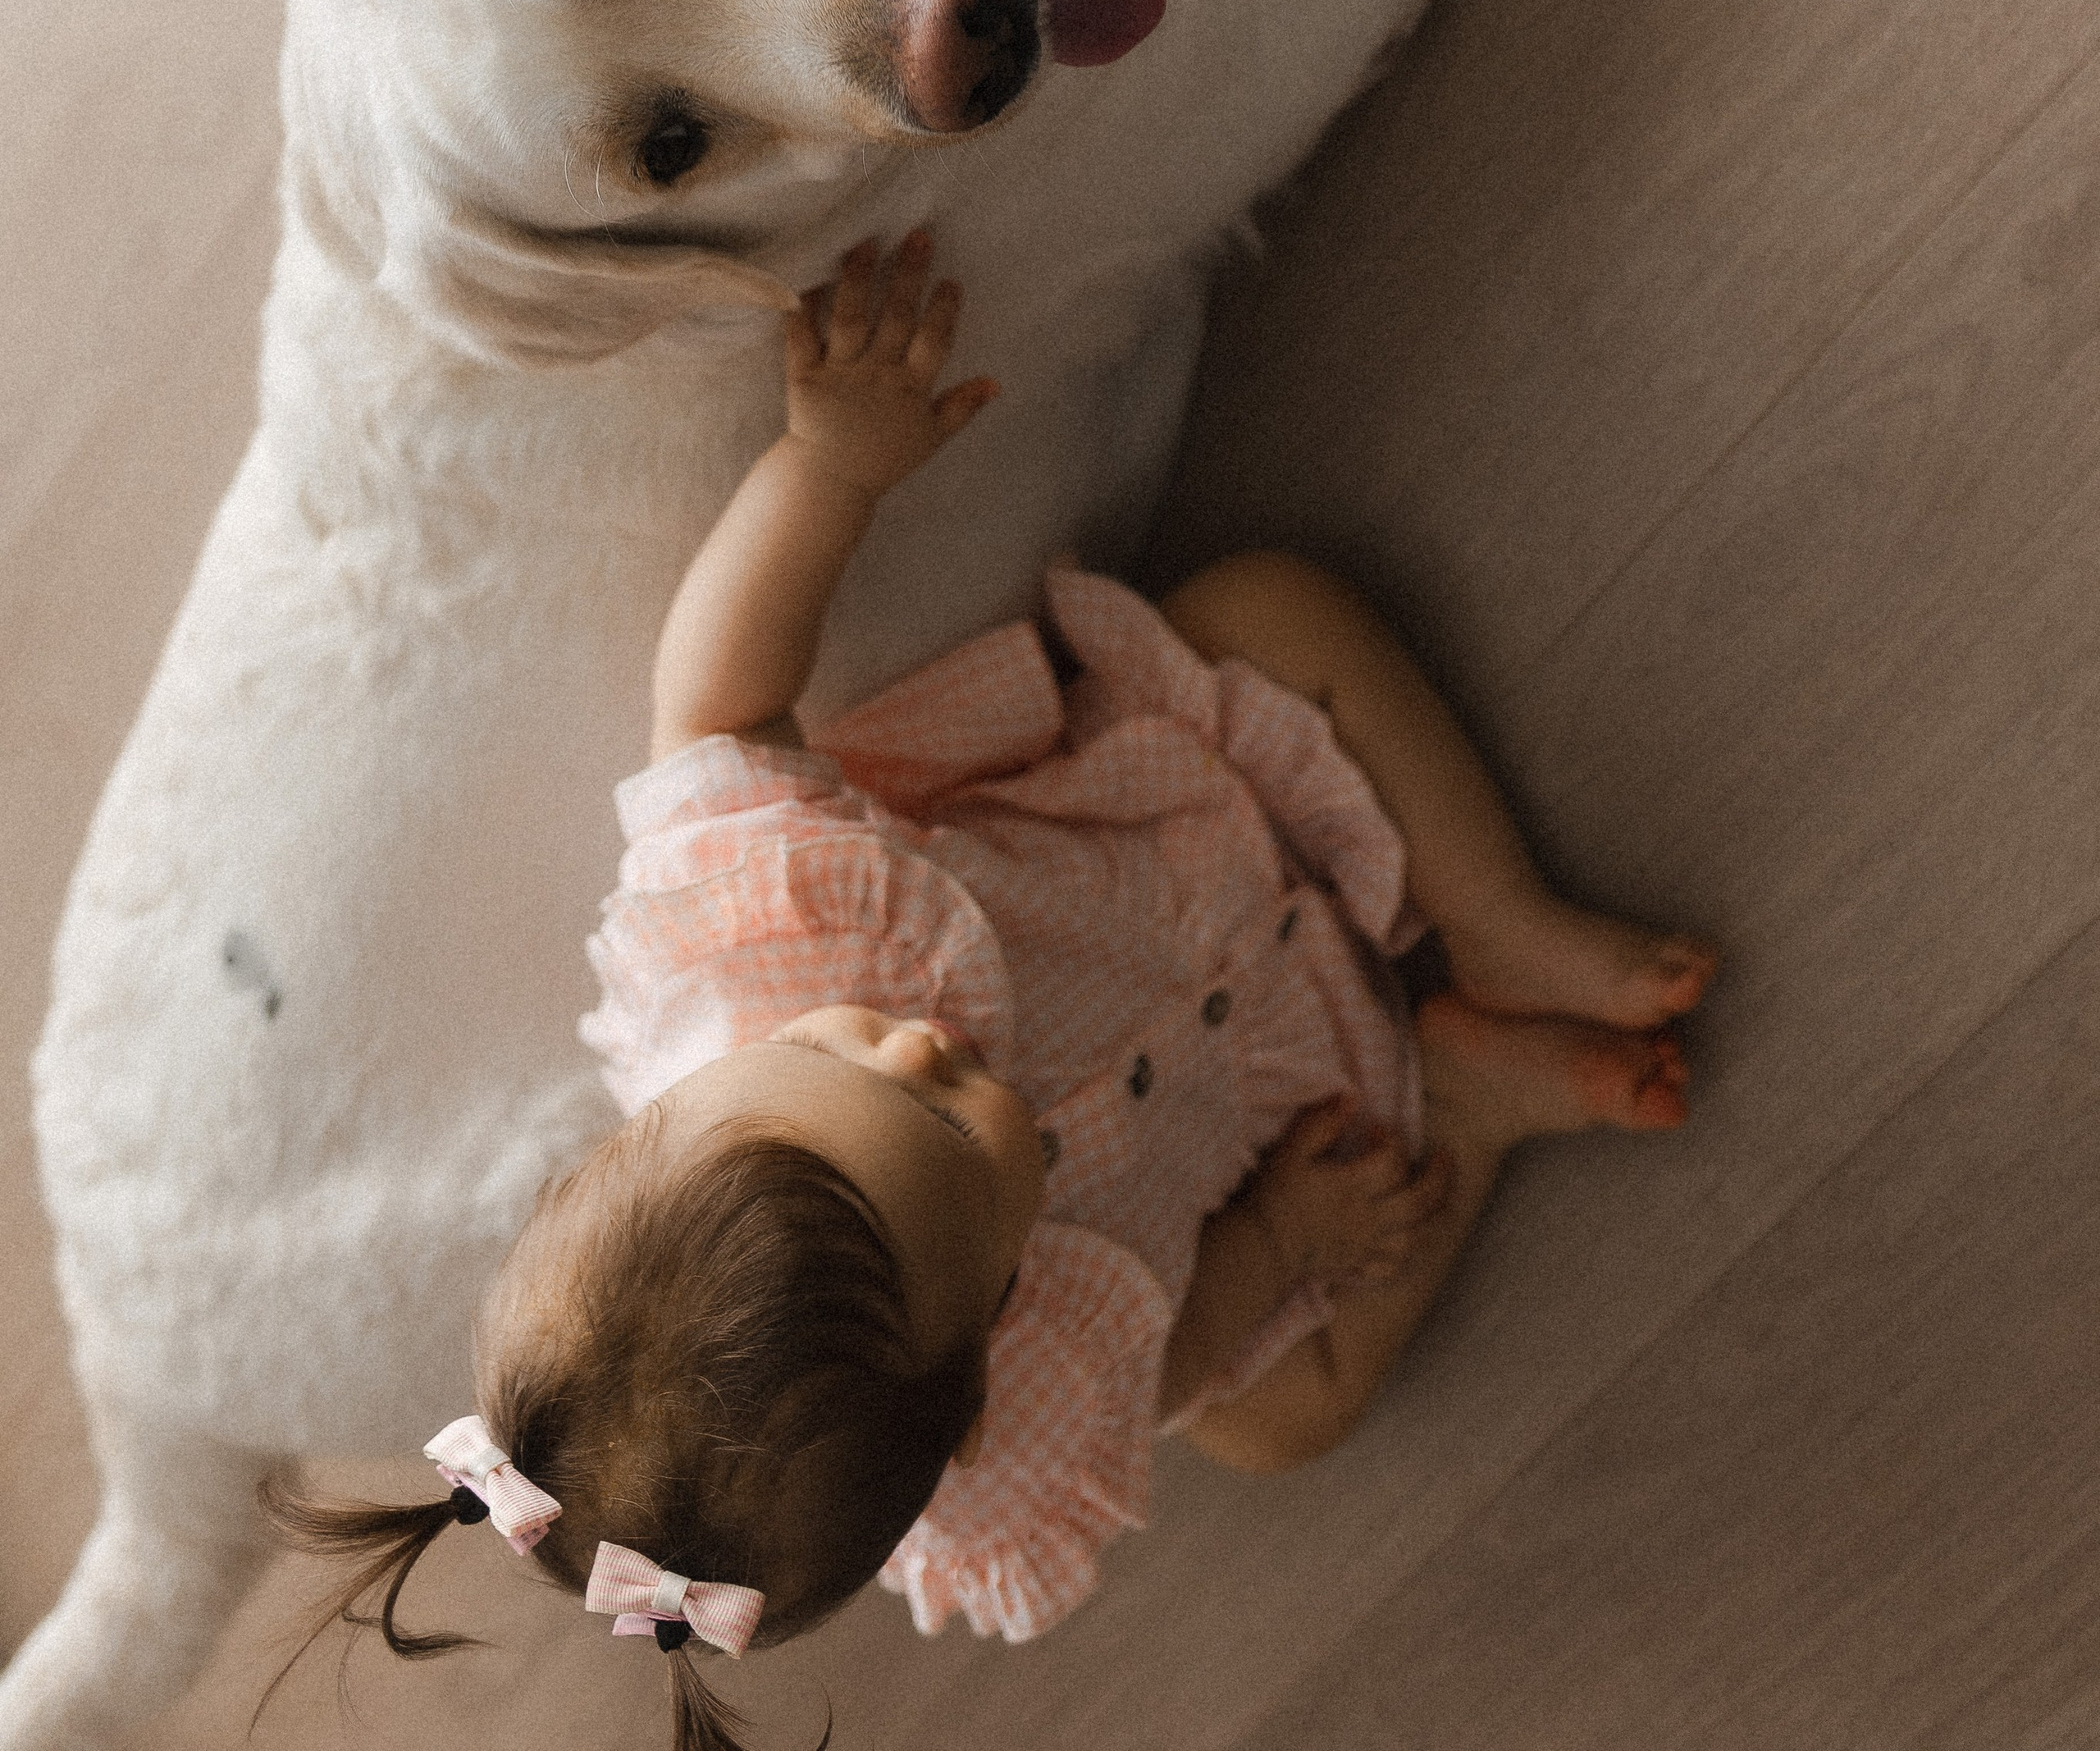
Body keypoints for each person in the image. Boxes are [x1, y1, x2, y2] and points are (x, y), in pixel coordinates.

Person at [273, 236, 1714, 1749]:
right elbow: (1163, 1359)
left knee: (1268, 609)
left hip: (1176, 811)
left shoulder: (745, 967)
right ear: (974, 1378)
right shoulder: (1016, 1425)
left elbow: (718, 704)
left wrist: (828, 470)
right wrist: (1284, 1238)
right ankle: (1469, 1102)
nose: (914, 1046)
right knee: (1282, 1417)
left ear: (676, 1108)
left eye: (836, 1055)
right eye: (953, 1131)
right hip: (1296, 1107)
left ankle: (1501, 925)